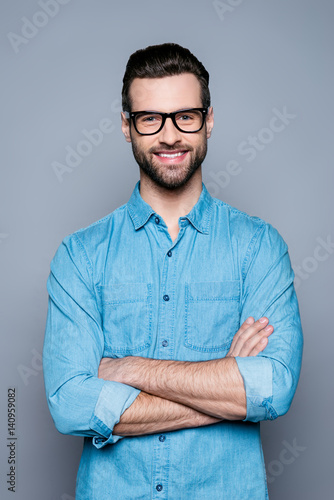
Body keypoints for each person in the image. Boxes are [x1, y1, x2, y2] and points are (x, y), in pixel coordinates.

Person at [43, 43, 303, 499]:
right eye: (150, 119)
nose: (170, 136)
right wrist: (226, 388)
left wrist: (131, 368)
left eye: (186, 116)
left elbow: (273, 388)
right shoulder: (79, 256)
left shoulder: (260, 247)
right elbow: (70, 403)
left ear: (209, 120)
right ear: (127, 127)